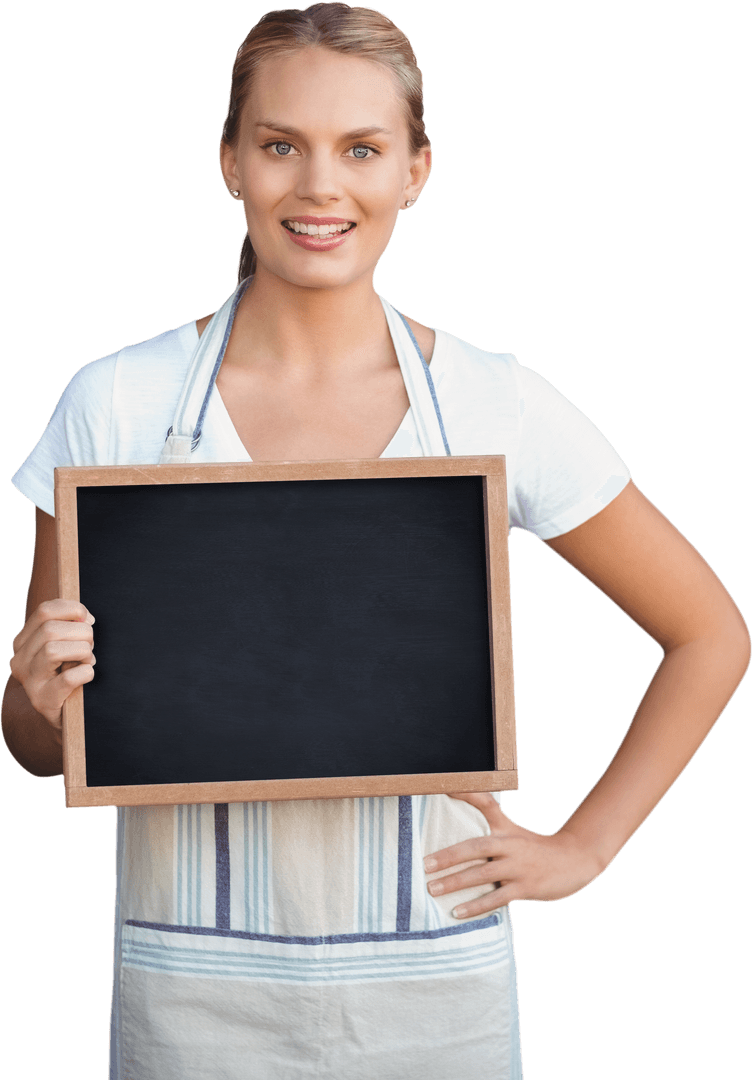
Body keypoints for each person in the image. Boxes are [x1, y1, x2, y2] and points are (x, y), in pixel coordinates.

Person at [2, 4, 749, 1078]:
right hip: (192, 996)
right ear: (229, 162)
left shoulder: (498, 403)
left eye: (362, 148)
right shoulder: (116, 402)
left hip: (434, 990)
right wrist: (35, 692)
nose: (320, 187)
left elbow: (708, 632)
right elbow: (33, 747)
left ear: (416, 170)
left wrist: (584, 847)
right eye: (279, 145)